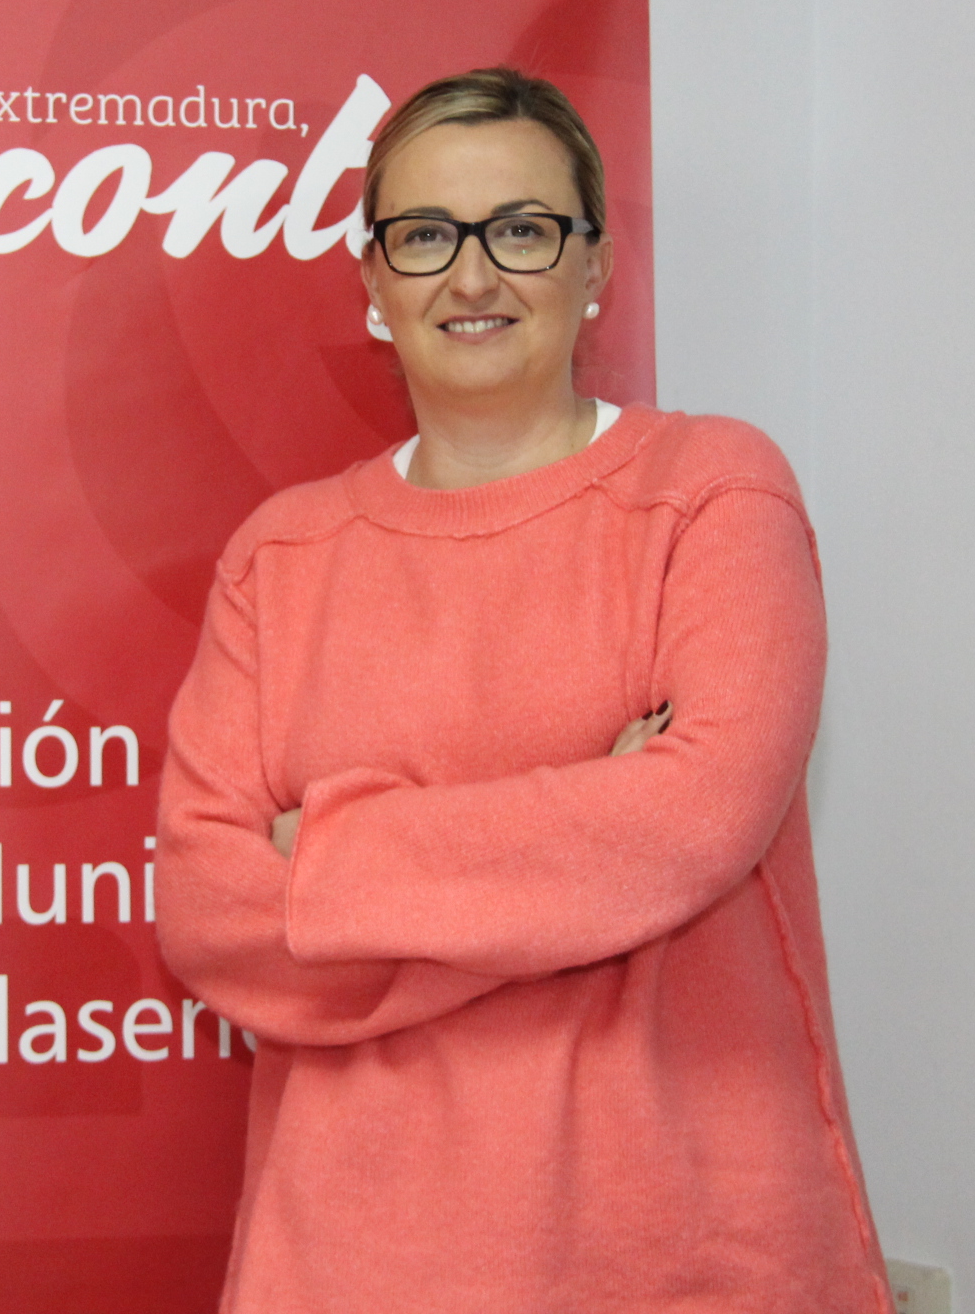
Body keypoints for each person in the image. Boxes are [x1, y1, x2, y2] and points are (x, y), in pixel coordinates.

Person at [153, 67, 891, 1312]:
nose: (473, 275)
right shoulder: (282, 559)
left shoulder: (711, 495)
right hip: (352, 1266)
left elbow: (697, 820)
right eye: (426, 235)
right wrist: (592, 838)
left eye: (524, 229)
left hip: (686, 1256)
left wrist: (324, 855)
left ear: (595, 263)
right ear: (373, 278)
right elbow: (205, 912)